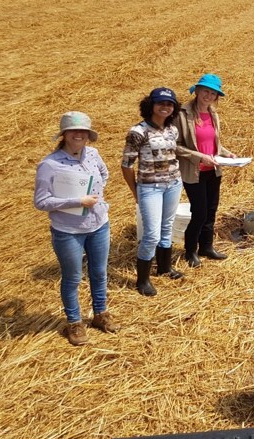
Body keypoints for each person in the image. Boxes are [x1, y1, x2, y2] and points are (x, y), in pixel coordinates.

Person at [34, 112, 119, 346]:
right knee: (73, 278)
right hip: (68, 231)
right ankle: (74, 322)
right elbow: (41, 202)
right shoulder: (50, 164)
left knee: (99, 273)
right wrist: (76, 202)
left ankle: (100, 314)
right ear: (64, 135)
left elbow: (104, 174)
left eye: (83, 131)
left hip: (99, 224)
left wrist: (96, 195)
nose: (79, 135)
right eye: (74, 131)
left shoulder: (93, 154)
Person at [121, 87, 184, 296]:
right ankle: (143, 280)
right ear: (151, 105)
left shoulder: (172, 130)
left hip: (173, 184)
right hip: (150, 188)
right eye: (161, 103)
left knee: (167, 227)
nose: (165, 107)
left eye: (169, 104)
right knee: (151, 235)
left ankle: (164, 268)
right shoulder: (138, 132)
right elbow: (127, 165)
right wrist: (135, 191)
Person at [175, 73, 235, 267]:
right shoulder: (182, 114)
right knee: (199, 212)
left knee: (211, 210)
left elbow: (213, 143)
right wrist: (199, 156)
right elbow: (174, 145)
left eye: (213, 93)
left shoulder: (212, 114)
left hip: (213, 170)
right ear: (197, 91)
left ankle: (206, 247)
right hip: (194, 172)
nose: (208, 96)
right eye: (205, 91)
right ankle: (190, 251)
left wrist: (227, 154)